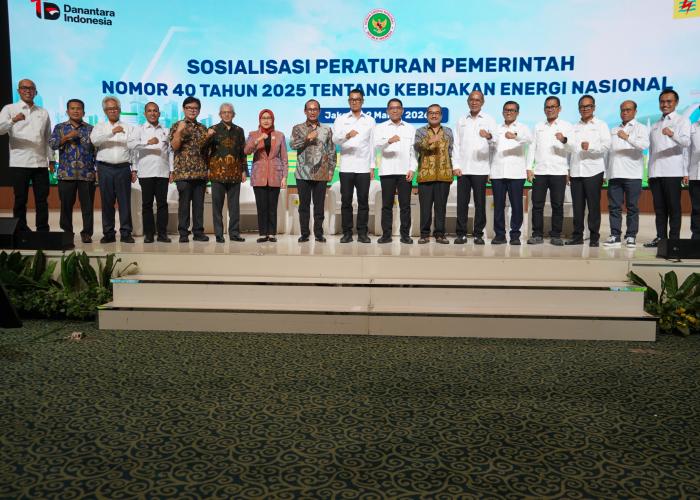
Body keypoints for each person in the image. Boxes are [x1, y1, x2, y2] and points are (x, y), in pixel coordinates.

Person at [0, 78, 52, 233]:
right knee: (20, 199)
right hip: (20, 162)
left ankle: (43, 230)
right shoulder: (9, 109)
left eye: (31, 88)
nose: (28, 91)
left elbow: (48, 138)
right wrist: (13, 120)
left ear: (35, 92)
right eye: (24, 88)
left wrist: (51, 160)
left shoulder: (43, 112)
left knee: (42, 200)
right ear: (19, 91)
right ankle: (20, 230)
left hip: (40, 162)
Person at [644, 89, 691, 247]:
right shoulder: (656, 124)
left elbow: (686, 143)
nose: (665, 104)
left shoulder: (682, 121)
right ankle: (661, 239)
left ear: (676, 103)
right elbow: (652, 150)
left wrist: (672, 134)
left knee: (673, 208)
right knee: (659, 208)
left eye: (669, 101)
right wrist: (649, 172)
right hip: (656, 172)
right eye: (662, 101)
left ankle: (674, 241)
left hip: (672, 172)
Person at [564, 95, 610, 247]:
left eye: (588, 106)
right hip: (576, 171)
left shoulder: (601, 125)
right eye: (582, 107)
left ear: (594, 107)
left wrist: (590, 147)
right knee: (577, 207)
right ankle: (577, 236)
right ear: (579, 109)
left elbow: (606, 146)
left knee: (593, 206)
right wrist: (568, 169)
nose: (585, 109)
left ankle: (594, 237)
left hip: (593, 171)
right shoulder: (573, 127)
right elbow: (569, 150)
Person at [526, 96, 573, 246]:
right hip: (540, 171)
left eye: (553, 106)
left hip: (558, 171)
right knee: (537, 205)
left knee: (557, 205)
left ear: (559, 109)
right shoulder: (538, 126)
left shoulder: (566, 126)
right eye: (547, 107)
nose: (550, 109)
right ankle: (537, 234)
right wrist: (529, 168)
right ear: (544, 109)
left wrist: (564, 140)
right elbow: (532, 147)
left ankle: (556, 235)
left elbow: (572, 148)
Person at [452, 90, 497, 245]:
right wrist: (455, 165)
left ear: (482, 102)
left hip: (481, 168)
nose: (474, 102)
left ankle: (478, 234)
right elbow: (456, 144)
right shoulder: (461, 120)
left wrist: (489, 136)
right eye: (471, 99)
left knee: (480, 203)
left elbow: (495, 142)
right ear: (468, 101)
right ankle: (461, 234)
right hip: (463, 169)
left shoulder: (489, 120)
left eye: (477, 100)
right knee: (462, 204)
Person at [49, 99, 96, 243]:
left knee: (87, 207)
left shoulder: (91, 129)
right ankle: (67, 232)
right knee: (66, 206)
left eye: (79, 108)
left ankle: (87, 233)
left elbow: (96, 150)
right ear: (67, 111)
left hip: (87, 174)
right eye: (72, 108)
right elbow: (52, 144)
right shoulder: (60, 127)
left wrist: (97, 169)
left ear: (84, 112)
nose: (76, 111)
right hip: (66, 174)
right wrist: (66, 137)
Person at [332, 88, 376, 243]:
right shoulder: (341, 119)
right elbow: (335, 140)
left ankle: (362, 233)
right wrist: (347, 135)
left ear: (362, 101)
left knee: (363, 201)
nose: (354, 102)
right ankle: (347, 233)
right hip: (346, 167)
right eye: (352, 99)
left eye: (357, 99)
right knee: (346, 201)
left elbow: (372, 145)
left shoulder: (370, 120)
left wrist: (372, 166)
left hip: (363, 167)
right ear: (348, 101)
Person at [604, 100, 649, 248]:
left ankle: (631, 236)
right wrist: (606, 173)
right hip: (615, 173)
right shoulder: (613, 129)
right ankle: (615, 235)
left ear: (635, 111)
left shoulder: (641, 128)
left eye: (628, 110)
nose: (625, 112)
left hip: (633, 175)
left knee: (632, 207)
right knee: (614, 207)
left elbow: (644, 145)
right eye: (622, 110)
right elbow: (608, 152)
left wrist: (627, 137)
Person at [90, 96, 135, 244]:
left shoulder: (128, 127)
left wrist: (134, 169)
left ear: (119, 110)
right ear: (105, 111)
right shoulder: (99, 127)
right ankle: (108, 233)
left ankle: (126, 232)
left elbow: (133, 149)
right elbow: (94, 141)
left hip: (123, 167)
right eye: (109, 109)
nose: (113, 111)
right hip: (105, 168)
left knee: (124, 202)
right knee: (107, 202)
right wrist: (112, 132)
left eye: (115, 108)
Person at [290, 99, 336, 243]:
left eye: (315, 109)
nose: (312, 112)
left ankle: (318, 234)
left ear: (319, 111)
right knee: (303, 206)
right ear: (305, 111)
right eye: (309, 109)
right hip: (302, 173)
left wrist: (331, 170)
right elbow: (292, 145)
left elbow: (331, 150)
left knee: (319, 206)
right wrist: (307, 138)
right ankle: (304, 233)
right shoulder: (298, 128)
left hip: (321, 173)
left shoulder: (326, 129)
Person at [127, 102, 172, 243]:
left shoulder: (166, 130)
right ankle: (149, 234)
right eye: (149, 111)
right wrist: (147, 142)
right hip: (146, 172)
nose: (152, 113)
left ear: (159, 113)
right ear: (145, 113)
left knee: (162, 204)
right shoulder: (139, 129)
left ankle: (162, 234)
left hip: (163, 172)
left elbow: (170, 152)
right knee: (147, 204)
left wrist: (172, 170)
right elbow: (130, 145)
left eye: (155, 111)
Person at [374, 98, 416, 244]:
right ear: (387, 111)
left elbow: (413, 151)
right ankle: (386, 235)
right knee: (386, 205)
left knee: (405, 205)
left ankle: (405, 235)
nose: (395, 110)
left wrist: (412, 168)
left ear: (402, 110)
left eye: (398, 108)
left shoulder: (410, 128)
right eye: (392, 108)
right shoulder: (380, 127)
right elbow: (376, 145)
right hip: (387, 171)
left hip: (405, 172)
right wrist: (388, 141)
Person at [490, 101, 532, 245]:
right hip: (497, 172)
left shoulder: (523, 128)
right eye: (506, 110)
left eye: (512, 110)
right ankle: (500, 235)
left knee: (517, 206)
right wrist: (489, 170)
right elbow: (491, 149)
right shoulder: (496, 128)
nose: (509, 112)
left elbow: (529, 140)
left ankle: (515, 235)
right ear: (502, 112)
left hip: (516, 173)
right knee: (498, 206)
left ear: (517, 113)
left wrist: (515, 136)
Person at [169, 96, 209, 243]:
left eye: (195, 108)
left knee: (199, 206)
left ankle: (198, 232)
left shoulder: (203, 128)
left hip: (200, 173)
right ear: (184, 109)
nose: (192, 110)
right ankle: (183, 233)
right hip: (183, 173)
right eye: (189, 108)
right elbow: (174, 146)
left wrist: (208, 170)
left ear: (199, 110)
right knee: (184, 205)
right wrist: (179, 131)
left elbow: (207, 151)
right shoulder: (177, 125)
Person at [206, 103, 247, 243]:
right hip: (217, 173)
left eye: (229, 112)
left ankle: (234, 233)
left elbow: (242, 152)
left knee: (234, 207)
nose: (227, 114)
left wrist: (244, 170)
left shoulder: (239, 130)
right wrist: (207, 137)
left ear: (233, 114)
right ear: (220, 114)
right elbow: (205, 150)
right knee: (217, 207)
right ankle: (219, 234)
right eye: (224, 112)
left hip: (235, 173)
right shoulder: (213, 129)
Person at [244, 109, 288, 243]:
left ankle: (272, 233)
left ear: (273, 120)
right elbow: (246, 151)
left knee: (272, 207)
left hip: (275, 174)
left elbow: (284, 158)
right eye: (263, 118)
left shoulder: (280, 135)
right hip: (259, 175)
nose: (266, 120)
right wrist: (258, 140)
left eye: (269, 118)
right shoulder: (253, 134)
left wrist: (284, 176)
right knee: (261, 206)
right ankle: (263, 233)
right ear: (259, 120)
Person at [414, 104, 454, 244]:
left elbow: (451, 152)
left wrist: (452, 170)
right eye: (431, 113)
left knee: (441, 207)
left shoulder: (448, 131)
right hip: (425, 175)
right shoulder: (420, 131)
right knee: (425, 208)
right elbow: (417, 147)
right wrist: (429, 141)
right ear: (427, 115)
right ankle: (424, 234)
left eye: (437, 113)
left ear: (441, 115)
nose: (434, 115)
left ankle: (440, 234)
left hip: (444, 175)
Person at [690, 118, 700, 239]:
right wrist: (685, 172)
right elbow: (687, 151)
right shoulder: (693, 127)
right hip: (695, 174)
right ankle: (696, 237)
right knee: (696, 208)